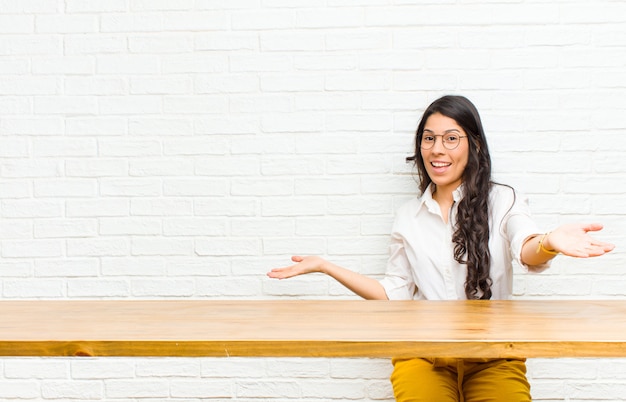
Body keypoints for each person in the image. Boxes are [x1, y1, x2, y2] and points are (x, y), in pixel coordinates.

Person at [267, 95, 615, 402]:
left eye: (451, 138)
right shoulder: (408, 217)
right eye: (429, 138)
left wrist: (549, 242)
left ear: (474, 145)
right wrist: (327, 266)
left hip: (493, 353)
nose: (437, 149)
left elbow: (526, 247)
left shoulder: (502, 199)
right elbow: (394, 293)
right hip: (423, 353)